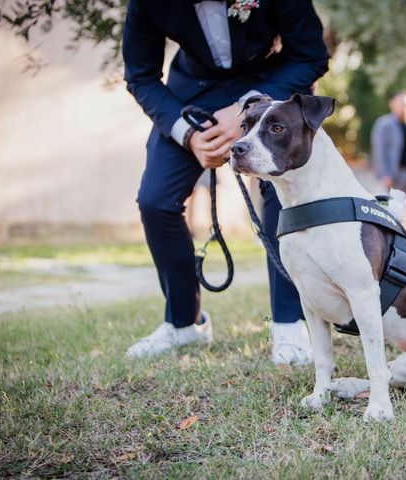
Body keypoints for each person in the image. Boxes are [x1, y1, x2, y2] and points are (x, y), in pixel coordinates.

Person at [122, 0, 330, 364]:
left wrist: (247, 109)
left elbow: (311, 55)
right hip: (189, 98)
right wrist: (187, 134)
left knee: (282, 194)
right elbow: (140, 76)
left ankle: (289, 325)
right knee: (156, 200)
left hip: (268, 90)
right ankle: (184, 325)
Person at [371, 90, 406, 242]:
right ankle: (396, 239)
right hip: (396, 174)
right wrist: (384, 174)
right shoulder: (384, 124)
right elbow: (379, 150)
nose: (405, 107)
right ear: (393, 104)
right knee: (395, 209)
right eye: (402, 103)